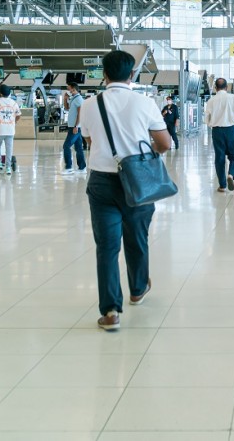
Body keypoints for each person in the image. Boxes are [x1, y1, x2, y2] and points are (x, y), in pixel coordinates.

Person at [78, 50, 172, 330]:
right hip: (138, 180)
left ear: (104, 74)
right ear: (132, 74)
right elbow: (165, 143)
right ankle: (138, 288)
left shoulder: (89, 104)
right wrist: (145, 152)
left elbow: (86, 137)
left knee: (106, 246)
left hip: (101, 181)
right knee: (137, 236)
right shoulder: (144, 103)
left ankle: (109, 312)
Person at [203, 78, 234, 192]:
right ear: (226, 87)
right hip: (231, 130)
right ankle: (231, 175)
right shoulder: (233, 98)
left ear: (215, 88)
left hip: (217, 131)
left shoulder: (211, 100)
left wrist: (212, 124)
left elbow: (206, 119)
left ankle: (222, 185)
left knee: (219, 157)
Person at [0, 85, 21, 174]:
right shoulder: (14, 103)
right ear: (9, 93)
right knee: (9, 148)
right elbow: (18, 116)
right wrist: (14, 122)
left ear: (0, 93)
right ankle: (8, 168)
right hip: (10, 130)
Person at [62, 82, 86, 174]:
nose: (67, 88)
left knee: (66, 146)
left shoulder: (79, 99)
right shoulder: (74, 98)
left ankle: (68, 167)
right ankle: (82, 167)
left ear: (73, 88)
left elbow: (80, 113)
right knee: (78, 147)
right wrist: (65, 99)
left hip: (76, 127)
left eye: (69, 87)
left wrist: (76, 126)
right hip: (73, 126)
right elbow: (67, 108)